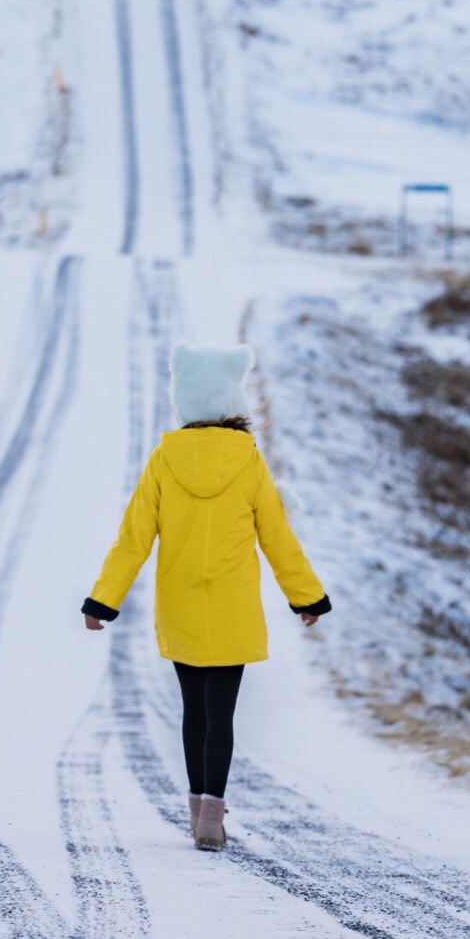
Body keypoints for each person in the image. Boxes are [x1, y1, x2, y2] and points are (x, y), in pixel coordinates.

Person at [82, 342, 330, 852]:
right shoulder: (249, 461)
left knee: (193, 711)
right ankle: (213, 817)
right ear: (230, 401)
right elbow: (277, 537)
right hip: (233, 605)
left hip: (180, 604)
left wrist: (102, 601)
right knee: (223, 714)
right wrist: (307, 597)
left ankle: (198, 813)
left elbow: (133, 537)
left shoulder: (163, 459)